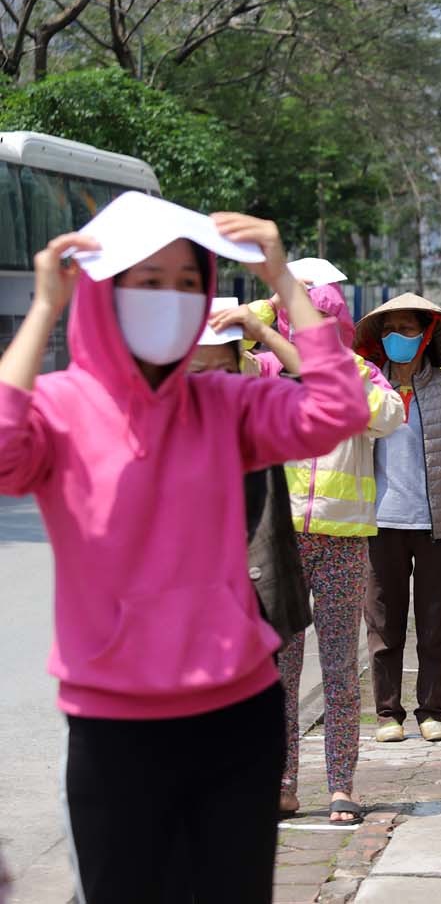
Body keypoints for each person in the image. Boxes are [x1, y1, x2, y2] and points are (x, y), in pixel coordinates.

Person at [0, 215, 367, 903]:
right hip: (113, 730)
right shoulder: (59, 408)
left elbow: (337, 411)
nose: (169, 297)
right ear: (105, 293)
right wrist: (46, 304)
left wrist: (282, 281)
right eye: (149, 282)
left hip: (236, 718)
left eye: (186, 283)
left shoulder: (222, 403)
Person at [224, 284, 405, 825]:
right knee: (277, 667)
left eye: (319, 321)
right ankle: (281, 783)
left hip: (343, 540)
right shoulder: (264, 372)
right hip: (278, 538)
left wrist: (333, 366)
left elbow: (388, 416)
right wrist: (262, 314)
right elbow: (216, 359)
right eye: (298, 320)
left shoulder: (360, 373)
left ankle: (341, 785)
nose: (307, 331)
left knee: (338, 668)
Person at [354, 294, 441, 744]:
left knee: (435, 620)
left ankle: (431, 710)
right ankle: (388, 713)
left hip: (438, 519)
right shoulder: (367, 386)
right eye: (389, 330)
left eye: (407, 329)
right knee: (383, 621)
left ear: (424, 337)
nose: (397, 338)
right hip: (380, 521)